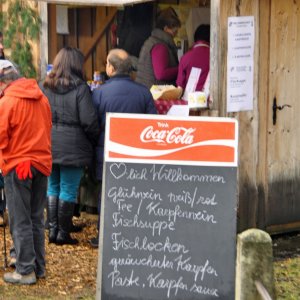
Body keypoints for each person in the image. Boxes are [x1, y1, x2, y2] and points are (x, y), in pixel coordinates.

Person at [91, 48, 157, 248]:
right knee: (134, 195)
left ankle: (104, 237)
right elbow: (153, 125)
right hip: (135, 153)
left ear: (111, 68)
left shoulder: (99, 93)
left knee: (107, 196)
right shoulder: (144, 92)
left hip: (106, 152)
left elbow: (92, 124)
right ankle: (132, 235)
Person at [0, 59, 52, 284]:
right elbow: (49, 126)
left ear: (3, 83)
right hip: (41, 163)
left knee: (20, 220)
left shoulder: (7, 102)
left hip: (18, 165)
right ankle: (38, 267)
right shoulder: (42, 97)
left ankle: (25, 270)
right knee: (36, 219)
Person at [41, 47, 99, 246]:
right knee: (67, 188)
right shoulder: (81, 88)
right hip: (73, 146)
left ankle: (53, 229)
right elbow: (89, 121)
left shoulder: (45, 86)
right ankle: (62, 234)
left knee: (53, 186)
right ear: (76, 64)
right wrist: (93, 139)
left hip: (48, 143)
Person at [136, 7, 181, 89]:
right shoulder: (160, 46)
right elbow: (161, 74)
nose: (176, 34)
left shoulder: (152, 40)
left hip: (145, 90)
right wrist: (181, 68)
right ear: (166, 28)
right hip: (154, 94)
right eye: (174, 31)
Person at [176, 24, 210, 92]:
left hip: (190, 99)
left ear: (195, 38)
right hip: (213, 99)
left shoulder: (185, 57)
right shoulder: (216, 57)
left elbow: (180, 84)